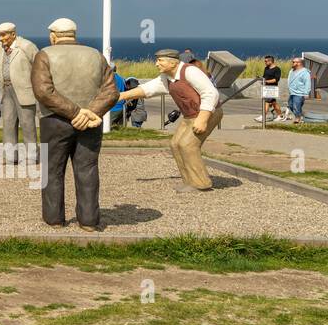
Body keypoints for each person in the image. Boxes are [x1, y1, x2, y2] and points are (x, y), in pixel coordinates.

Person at [30, 18, 118, 231]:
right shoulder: (96, 55)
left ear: (53, 35)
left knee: (52, 170)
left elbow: (43, 91)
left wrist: (75, 112)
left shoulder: (44, 55)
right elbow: (111, 91)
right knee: (87, 169)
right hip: (90, 122)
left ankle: (54, 218)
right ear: (74, 34)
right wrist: (89, 113)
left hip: (54, 121)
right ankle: (88, 220)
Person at [118, 48, 222, 191]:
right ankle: (189, 181)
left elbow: (210, 93)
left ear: (172, 63)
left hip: (209, 112)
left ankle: (201, 183)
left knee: (187, 145)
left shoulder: (190, 72)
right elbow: (148, 89)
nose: (156, 64)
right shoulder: (167, 77)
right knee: (175, 144)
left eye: (160, 60)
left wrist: (203, 119)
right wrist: (122, 96)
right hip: (190, 115)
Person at [0, 22, 40, 165]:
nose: (1, 39)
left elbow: (40, 66)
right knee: (8, 124)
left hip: (24, 91)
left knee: (28, 125)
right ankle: (10, 157)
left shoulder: (27, 46)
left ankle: (32, 157)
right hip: (6, 90)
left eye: (3, 35)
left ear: (13, 34)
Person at [255, 55, 282, 123]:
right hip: (266, 88)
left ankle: (263, 117)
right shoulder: (266, 68)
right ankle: (280, 116)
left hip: (272, 88)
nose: (265, 62)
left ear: (270, 61)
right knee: (274, 103)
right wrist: (261, 79)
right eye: (265, 61)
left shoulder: (277, 69)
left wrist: (266, 81)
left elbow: (276, 79)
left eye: (266, 61)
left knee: (266, 102)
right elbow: (265, 77)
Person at [286, 57, 312, 124]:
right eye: (293, 61)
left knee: (296, 106)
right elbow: (289, 80)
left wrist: (306, 93)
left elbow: (307, 83)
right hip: (292, 92)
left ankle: (297, 118)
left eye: (294, 62)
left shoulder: (305, 72)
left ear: (299, 63)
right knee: (290, 105)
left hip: (300, 93)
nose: (292, 63)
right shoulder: (291, 71)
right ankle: (300, 115)